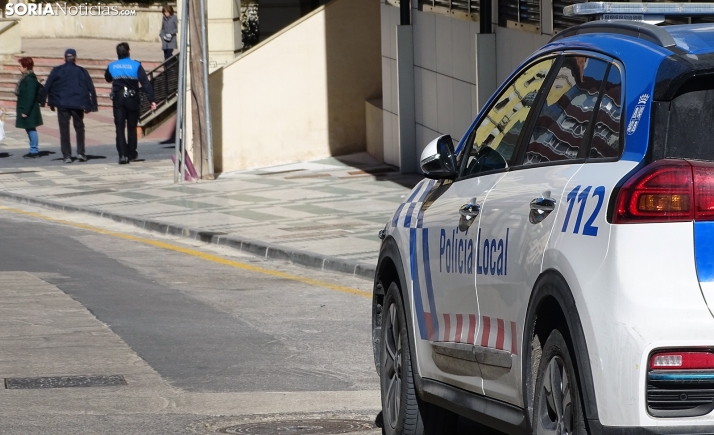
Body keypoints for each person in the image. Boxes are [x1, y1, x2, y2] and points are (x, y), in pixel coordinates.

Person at [42, 49, 98, 163]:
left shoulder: (57, 70)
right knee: (79, 128)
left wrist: (44, 101)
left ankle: (67, 155)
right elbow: (90, 88)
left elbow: (48, 86)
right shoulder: (82, 71)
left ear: (64, 58)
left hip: (62, 103)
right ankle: (81, 153)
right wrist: (92, 105)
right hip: (78, 104)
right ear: (75, 58)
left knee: (64, 130)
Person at [105, 42, 156, 164]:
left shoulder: (112, 66)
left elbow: (107, 78)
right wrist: (152, 100)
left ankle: (122, 155)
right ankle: (132, 153)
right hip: (132, 99)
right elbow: (145, 83)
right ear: (128, 51)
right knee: (132, 128)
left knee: (119, 128)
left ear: (118, 53)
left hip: (118, 99)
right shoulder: (136, 65)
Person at [14, 57, 43, 159]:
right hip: (26, 107)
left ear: (25, 67)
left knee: (31, 129)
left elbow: (30, 96)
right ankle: (33, 149)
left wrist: (26, 111)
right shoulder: (27, 77)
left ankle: (34, 151)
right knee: (30, 129)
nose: (19, 68)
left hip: (29, 108)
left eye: (20, 66)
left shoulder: (30, 79)